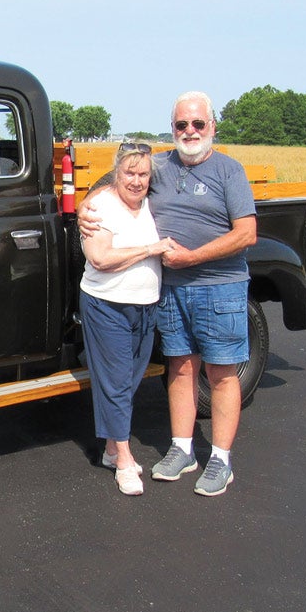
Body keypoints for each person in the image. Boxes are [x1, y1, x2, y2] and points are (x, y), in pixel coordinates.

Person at [80, 92, 256, 497]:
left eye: (198, 124)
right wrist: (88, 206)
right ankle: (182, 449)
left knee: (221, 373)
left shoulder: (229, 171)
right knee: (180, 368)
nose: (190, 132)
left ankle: (221, 460)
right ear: (172, 128)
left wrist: (193, 257)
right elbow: (122, 177)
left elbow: (247, 234)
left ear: (212, 126)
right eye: (181, 125)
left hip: (220, 287)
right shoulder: (159, 164)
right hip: (171, 290)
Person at [78, 143, 173, 496]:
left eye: (142, 174)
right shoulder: (101, 207)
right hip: (107, 306)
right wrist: (151, 249)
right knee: (117, 383)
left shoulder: (152, 204)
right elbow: (100, 258)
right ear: (115, 174)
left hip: (146, 307)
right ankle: (124, 460)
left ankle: (109, 448)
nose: (136, 181)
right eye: (128, 173)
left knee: (130, 381)